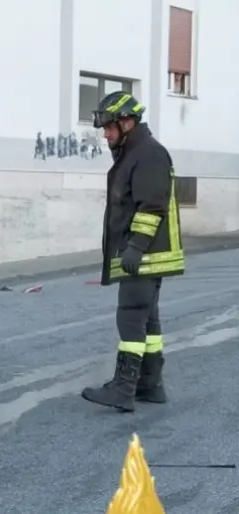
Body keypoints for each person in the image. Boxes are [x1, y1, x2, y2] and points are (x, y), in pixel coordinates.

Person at [81, 91, 184, 412]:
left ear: (127, 123)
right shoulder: (136, 153)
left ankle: (124, 389)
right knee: (148, 323)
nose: (105, 134)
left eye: (110, 127)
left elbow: (151, 206)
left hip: (145, 257)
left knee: (130, 320)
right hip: (147, 257)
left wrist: (136, 247)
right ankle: (151, 385)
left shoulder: (148, 154)